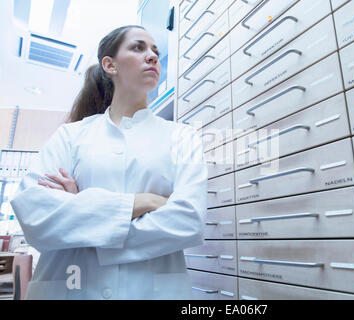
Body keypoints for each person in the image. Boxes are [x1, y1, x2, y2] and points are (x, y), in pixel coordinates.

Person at [9, 25, 208, 300]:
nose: (152, 56)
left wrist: (81, 211)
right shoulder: (71, 136)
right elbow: (35, 215)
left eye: (155, 51)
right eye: (138, 47)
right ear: (109, 64)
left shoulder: (183, 137)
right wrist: (145, 202)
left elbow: (189, 221)